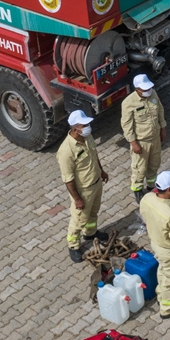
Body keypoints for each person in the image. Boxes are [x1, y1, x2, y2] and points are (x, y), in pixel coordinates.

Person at [58, 109, 109, 263]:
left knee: (94, 211)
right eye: (84, 124)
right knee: (78, 220)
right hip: (83, 190)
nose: (88, 127)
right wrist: (77, 199)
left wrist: (101, 171)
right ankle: (73, 245)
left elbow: (94, 155)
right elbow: (68, 179)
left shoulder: (86, 137)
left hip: (96, 183)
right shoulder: (66, 151)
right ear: (75, 129)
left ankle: (91, 233)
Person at [140, 171, 170, 318]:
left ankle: (161, 294)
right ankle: (167, 309)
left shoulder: (147, 198)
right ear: (169, 189)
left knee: (163, 271)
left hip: (156, 244)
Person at [120, 73, 166, 198]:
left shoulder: (153, 94)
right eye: (144, 89)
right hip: (141, 141)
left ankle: (151, 186)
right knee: (140, 168)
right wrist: (133, 142)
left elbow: (160, 110)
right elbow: (126, 124)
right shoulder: (128, 103)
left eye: (149, 88)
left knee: (154, 164)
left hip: (155, 138)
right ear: (137, 89)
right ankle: (138, 190)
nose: (148, 91)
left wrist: (163, 128)